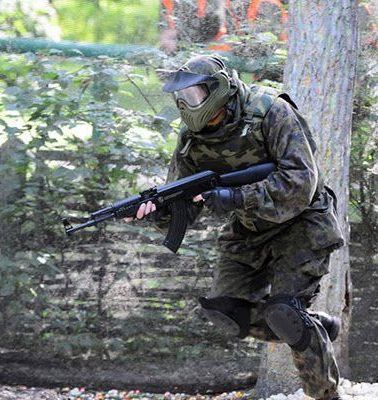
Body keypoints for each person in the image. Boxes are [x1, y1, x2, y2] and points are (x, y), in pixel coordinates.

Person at [125, 55, 345, 400]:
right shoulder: (191, 141)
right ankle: (311, 327)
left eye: (195, 95)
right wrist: (151, 212)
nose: (187, 104)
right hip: (250, 229)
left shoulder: (271, 111)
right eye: (181, 98)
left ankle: (325, 394)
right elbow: (180, 204)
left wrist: (236, 197)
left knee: (284, 313)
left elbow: (300, 182)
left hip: (302, 222)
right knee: (226, 312)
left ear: (219, 89)